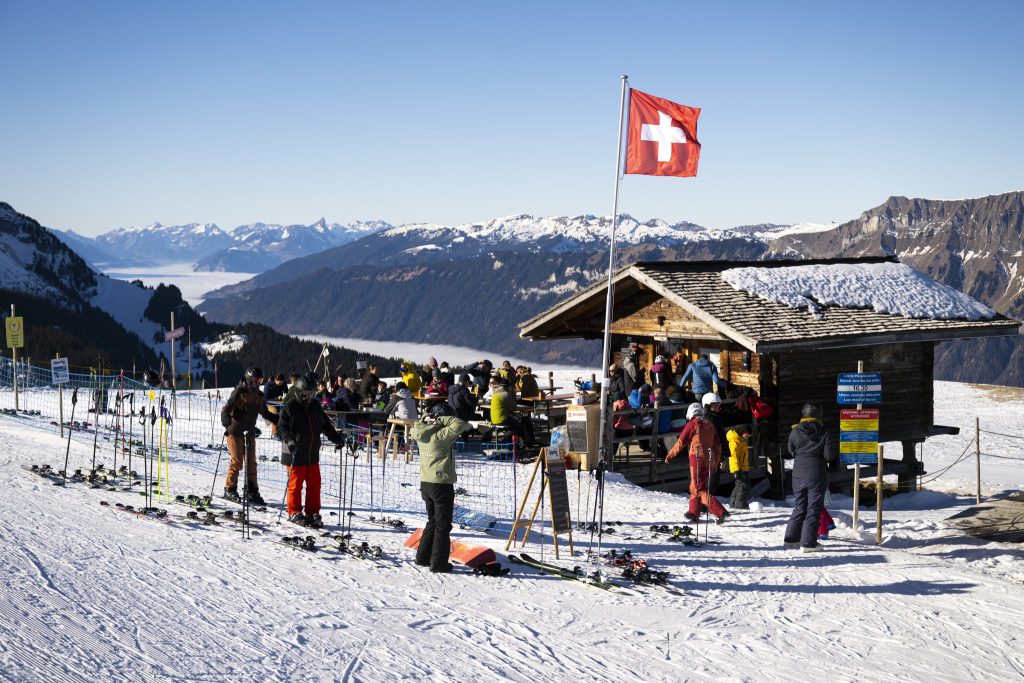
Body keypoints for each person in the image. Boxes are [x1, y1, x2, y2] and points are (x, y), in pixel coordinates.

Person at [278, 373, 342, 528]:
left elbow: (325, 424)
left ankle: (312, 512)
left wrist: (336, 438)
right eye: (307, 394)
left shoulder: (315, 406)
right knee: (295, 485)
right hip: (295, 452)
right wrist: (289, 439)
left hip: (312, 453)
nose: (310, 397)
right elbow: (281, 427)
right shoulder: (290, 406)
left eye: (313, 394)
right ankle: (294, 512)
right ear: (300, 392)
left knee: (314, 485)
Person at [412, 403, 468, 573]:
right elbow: (459, 424)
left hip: (426, 482)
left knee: (432, 521)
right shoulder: (440, 435)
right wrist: (441, 419)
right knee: (443, 526)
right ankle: (438, 563)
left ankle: (423, 557)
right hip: (441, 484)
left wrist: (427, 418)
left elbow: (420, 423)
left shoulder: (422, 432)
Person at [784, 402, 838, 552]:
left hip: (798, 475)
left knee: (800, 507)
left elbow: (791, 450)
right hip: (817, 475)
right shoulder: (824, 432)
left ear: (804, 413)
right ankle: (808, 544)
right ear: (819, 415)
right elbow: (829, 455)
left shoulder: (795, 431)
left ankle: (791, 539)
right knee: (813, 509)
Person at [220, 366, 278, 504]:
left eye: (261, 380)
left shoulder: (259, 395)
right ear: (249, 379)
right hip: (235, 431)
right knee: (237, 462)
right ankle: (230, 489)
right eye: (257, 380)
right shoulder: (239, 392)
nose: (259, 383)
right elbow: (226, 409)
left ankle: (252, 491)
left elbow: (265, 413)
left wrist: (278, 420)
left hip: (249, 432)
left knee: (251, 464)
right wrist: (226, 421)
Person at [665, 402, 728, 524]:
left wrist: (670, 455)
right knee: (696, 486)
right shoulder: (710, 425)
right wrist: (716, 461)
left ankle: (720, 512)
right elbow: (717, 445)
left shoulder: (692, 424)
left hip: (697, 459)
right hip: (709, 459)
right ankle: (693, 512)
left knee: (698, 489)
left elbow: (681, 442)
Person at [490, 378, 535, 446]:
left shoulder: (496, 393)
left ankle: (525, 442)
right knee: (520, 425)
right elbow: (514, 407)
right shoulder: (505, 394)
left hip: (494, 418)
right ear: (509, 387)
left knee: (522, 421)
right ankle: (509, 440)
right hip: (502, 418)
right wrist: (513, 395)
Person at [727, 425, 752, 510]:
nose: (747, 437)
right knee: (743, 485)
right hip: (737, 467)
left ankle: (733, 502)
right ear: (743, 432)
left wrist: (745, 467)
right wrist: (736, 470)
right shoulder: (734, 440)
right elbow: (733, 456)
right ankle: (740, 504)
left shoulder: (742, 440)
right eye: (747, 435)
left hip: (742, 467)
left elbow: (744, 455)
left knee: (740, 484)